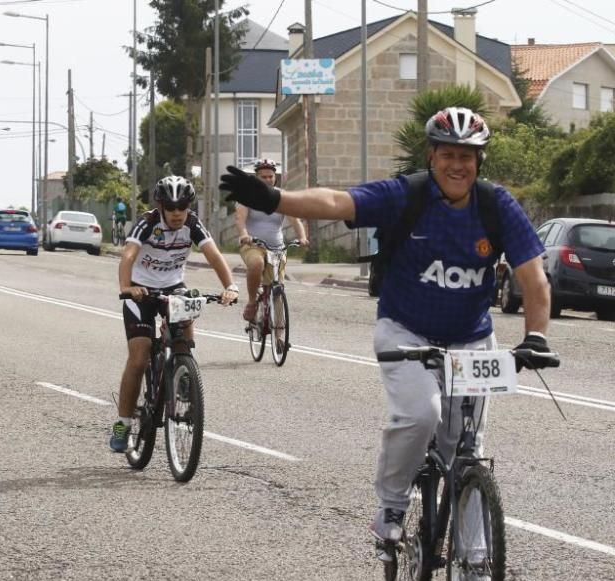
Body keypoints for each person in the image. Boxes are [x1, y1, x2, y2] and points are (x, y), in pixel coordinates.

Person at [219, 106, 554, 544]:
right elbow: (338, 201)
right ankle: (391, 504)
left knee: (467, 451)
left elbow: (533, 277)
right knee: (421, 414)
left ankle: (475, 560)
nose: (458, 165)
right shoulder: (406, 195)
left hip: (472, 342)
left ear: (479, 161)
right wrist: (276, 200)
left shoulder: (496, 205)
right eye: (448, 154)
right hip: (405, 332)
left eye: (467, 156)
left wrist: (536, 337)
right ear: (432, 156)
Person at [110, 175, 239, 452]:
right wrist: (126, 286)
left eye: (182, 207)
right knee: (139, 356)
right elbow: (129, 255)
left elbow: (215, 256)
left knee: (184, 330)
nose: (178, 213)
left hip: (173, 287)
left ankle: (183, 374)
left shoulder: (192, 224)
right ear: (161, 207)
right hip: (141, 292)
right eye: (172, 208)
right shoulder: (147, 223)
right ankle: (122, 422)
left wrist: (230, 286)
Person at [235, 159, 309, 322]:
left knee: (277, 290)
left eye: (270, 176)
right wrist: (243, 234)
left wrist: (302, 237)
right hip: (253, 245)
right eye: (263, 177)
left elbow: (295, 220)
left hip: (277, 248)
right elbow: (240, 219)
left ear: (275, 177)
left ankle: (279, 337)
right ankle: (252, 303)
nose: (268, 180)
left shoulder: (280, 197)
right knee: (256, 264)